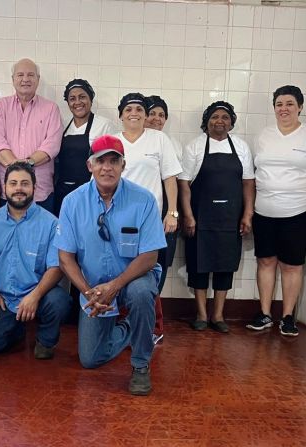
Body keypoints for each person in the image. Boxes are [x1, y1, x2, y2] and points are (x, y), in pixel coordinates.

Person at [55, 135, 166, 396]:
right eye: (100, 161)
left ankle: (140, 365)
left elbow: (150, 256)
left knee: (141, 294)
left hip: (131, 280)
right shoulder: (72, 202)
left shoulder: (144, 200)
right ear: (89, 165)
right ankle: (129, 328)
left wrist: (115, 286)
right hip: (93, 288)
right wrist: (87, 292)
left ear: (123, 165)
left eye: (114, 161)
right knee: (90, 359)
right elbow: (65, 257)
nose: (107, 167)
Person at [246, 85, 306, 337]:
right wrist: (250, 210)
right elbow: (253, 175)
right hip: (264, 211)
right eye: (279, 104)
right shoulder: (263, 135)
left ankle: (287, 317)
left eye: (289, 104)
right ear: (274, 108)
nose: (284, 109)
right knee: (265, 261)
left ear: (300, 107)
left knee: (292, 265)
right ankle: (264, 314)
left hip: (299, 211)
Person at [0, 162, 71, 358]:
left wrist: (34, 297)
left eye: (25, 183)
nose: (19, 188)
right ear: (5, 187)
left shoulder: (52, 224)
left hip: (38, 294)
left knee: (59, 300)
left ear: (34, 188)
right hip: (3, 299)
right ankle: (16, 329)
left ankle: (45, 341)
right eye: (13, 183)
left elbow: (56, 267)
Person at [179, 101, 255, 333]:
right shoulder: (195, 146)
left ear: (231, 122)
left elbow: (248, 183)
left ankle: (219, 315)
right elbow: (184, 185)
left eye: (224, 117)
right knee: (198, 265)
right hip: (201, 217)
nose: (219, 121)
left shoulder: (241, 147)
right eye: (214, 117)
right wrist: (188, 215)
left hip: (230, 218)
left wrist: (248, 214)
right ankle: (202, 314)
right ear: (207, 121)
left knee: (225, 265)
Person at [118, 93, 181, 345]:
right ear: (121, 114)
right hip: (119, 221)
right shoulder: (113, 140)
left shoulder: (158, 139)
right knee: (122, 273)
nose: (134, 113)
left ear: (145, 115)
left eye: (139, 109)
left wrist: (172, 212)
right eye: (129, 109)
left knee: (148, 273)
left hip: (151, 221)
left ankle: (153, 328)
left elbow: (170, 179)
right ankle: (123, 324)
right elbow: (99, 181)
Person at [0, 58, 63, 213]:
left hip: (41, 192)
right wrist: (20, 169)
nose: (25, 79)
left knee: (42, 236)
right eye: (20, 75)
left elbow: (52, 145)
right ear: (13, 79)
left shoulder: (51, 108)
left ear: (38, 79)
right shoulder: (0, 107)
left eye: (30, 75)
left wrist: (28, 163)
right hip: (7, 191)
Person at [55, 79, 117, 215]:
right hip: (62, 193)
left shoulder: (104, 125)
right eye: (72, 98)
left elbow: (112, 162)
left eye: (82, 97)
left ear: (91, 99)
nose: (77, 102)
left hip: (92, 194)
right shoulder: (62, 125)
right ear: (68, 103)